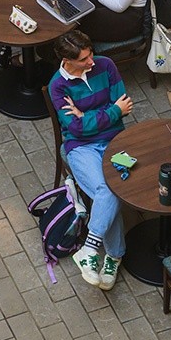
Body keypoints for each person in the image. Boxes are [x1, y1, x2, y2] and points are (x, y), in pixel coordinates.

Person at [48, 30, 131, 290]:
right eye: (84, 59)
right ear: (66, 59)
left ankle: (90, 250)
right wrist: (108, 112)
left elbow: (124, 107)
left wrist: (87, 116)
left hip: (115, 140)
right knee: (107, 190)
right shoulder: (58, 86)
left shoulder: (106, 66)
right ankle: (113, 255)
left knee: (109, 192)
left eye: (90, 53)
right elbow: (77, 129)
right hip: (80, 147)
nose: (91, 61)